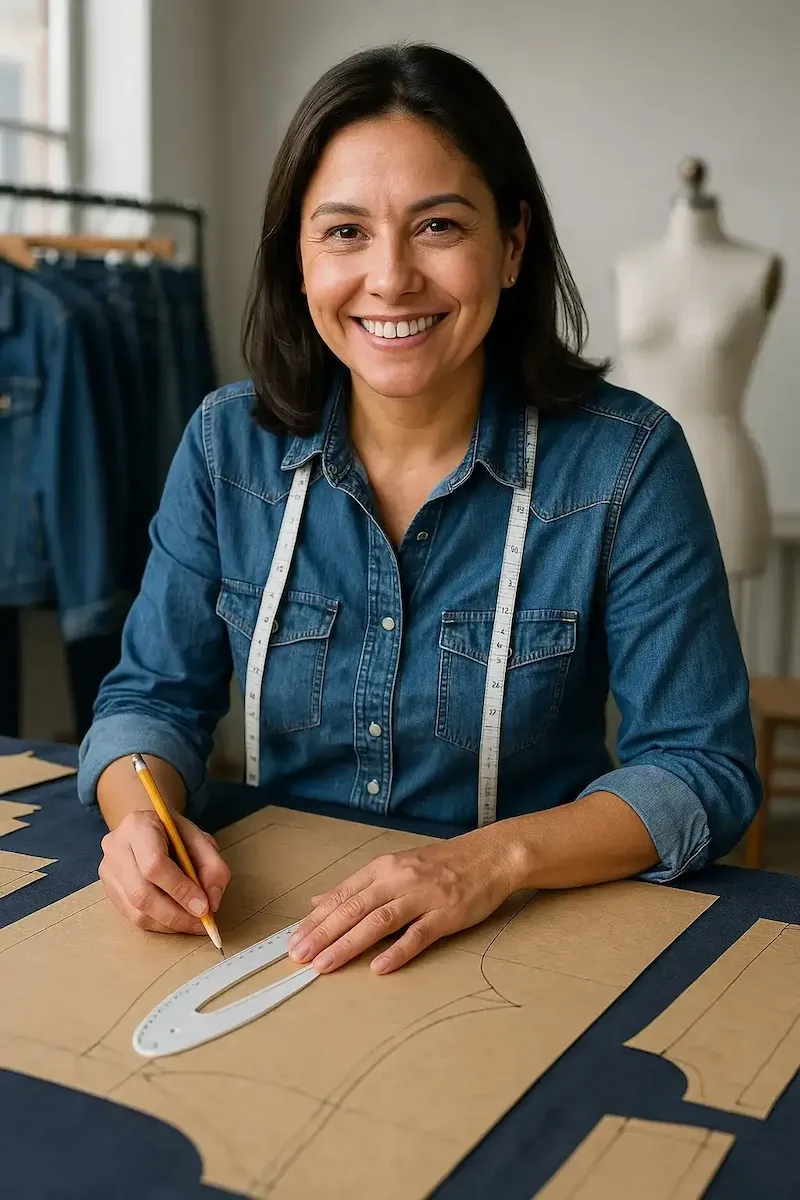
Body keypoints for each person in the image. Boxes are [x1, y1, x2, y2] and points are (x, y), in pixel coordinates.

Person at [79, 42, 759, 977]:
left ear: (513, 245)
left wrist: (493, 862)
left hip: (529, 942)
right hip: (277, 939)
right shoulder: (224, 444)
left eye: (438, 226)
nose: (391, 278)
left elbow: (699, 767)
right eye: (345, 231)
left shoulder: (627, 463)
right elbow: (148, 699)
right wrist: (136, 818)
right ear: (299, 257)